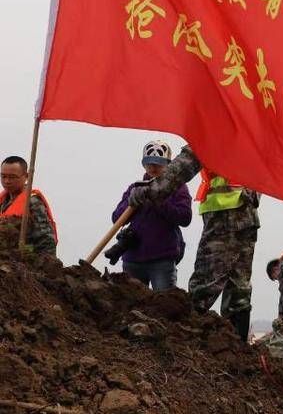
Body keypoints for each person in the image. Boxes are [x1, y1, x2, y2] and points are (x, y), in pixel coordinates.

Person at [128, 144, 259, 342]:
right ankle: (238, 353)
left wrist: (151, 190)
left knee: (203, 288)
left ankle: (186, 346)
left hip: (225, 215)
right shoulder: (249, 129)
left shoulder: (218, 126)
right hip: (247, 215)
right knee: (238, 289)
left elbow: (185, 164)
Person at [108, 141, 191, 291]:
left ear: (168, 165)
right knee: (131, 306)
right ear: (144, 164)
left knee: (165, 305)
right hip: (133, 259)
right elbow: (116, 218)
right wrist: (131, 202)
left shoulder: (178, 188)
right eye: (149, 163)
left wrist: (158, 200)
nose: (153, 167)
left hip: (162, 260)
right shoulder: (135, 188)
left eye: (158, 164)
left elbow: (185, 217)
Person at [0, 155, 57, 255]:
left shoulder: (32, 202)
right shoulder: (3, 201)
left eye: (12, 177)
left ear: (26, 176)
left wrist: (43, 267)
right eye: (3, 176)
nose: (7, 181)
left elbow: (46, 240)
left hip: (25, 260)